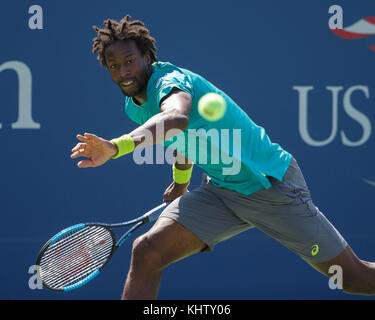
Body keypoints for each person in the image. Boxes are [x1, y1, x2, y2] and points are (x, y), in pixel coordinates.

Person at [71, 14, 375, 299]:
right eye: (114, 65)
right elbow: (179, 139)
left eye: (130, 61)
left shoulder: (169, 81)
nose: (124, 71)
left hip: (268, 185)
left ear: (148, 58)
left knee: (352, 278)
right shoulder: (133, 105)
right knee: (147, 251)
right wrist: (180, 183)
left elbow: (175, 119)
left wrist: (115, 147)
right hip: (222, 190)